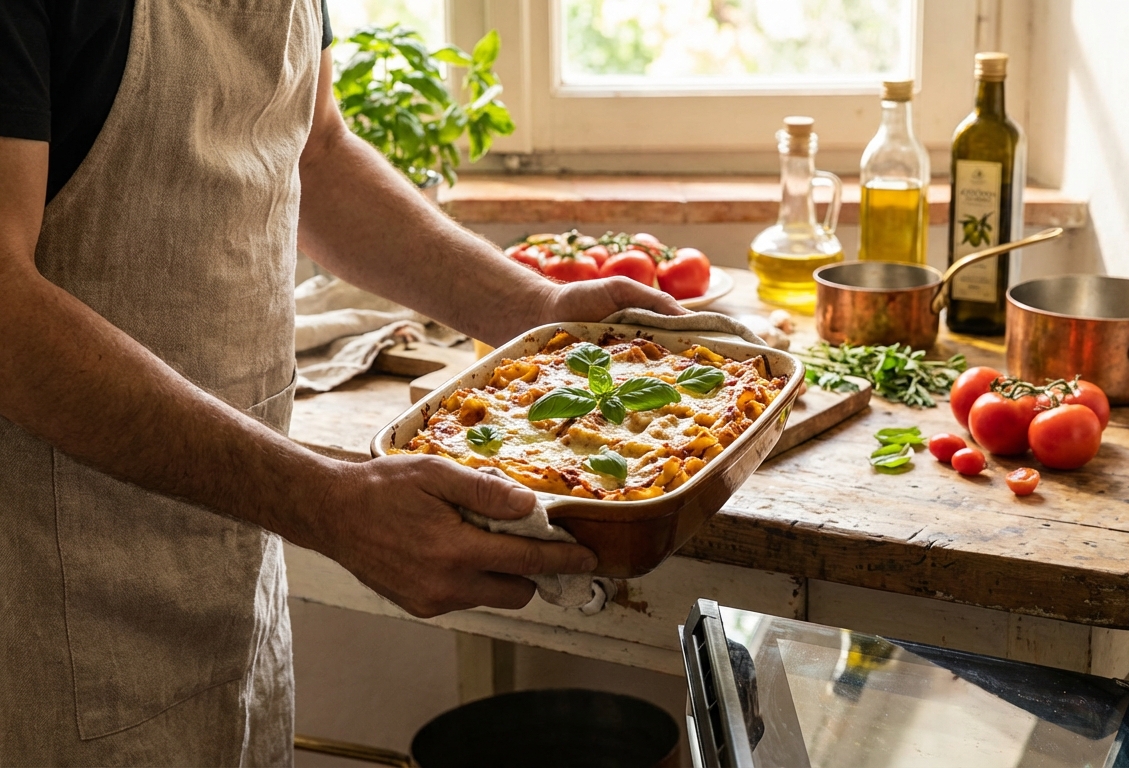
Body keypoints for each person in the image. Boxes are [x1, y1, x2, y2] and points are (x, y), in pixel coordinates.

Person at [0, 0, 684, 764]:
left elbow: (315, 151)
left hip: (231, 558)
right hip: (51, 599)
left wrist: (538, 307)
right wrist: (325, 502)